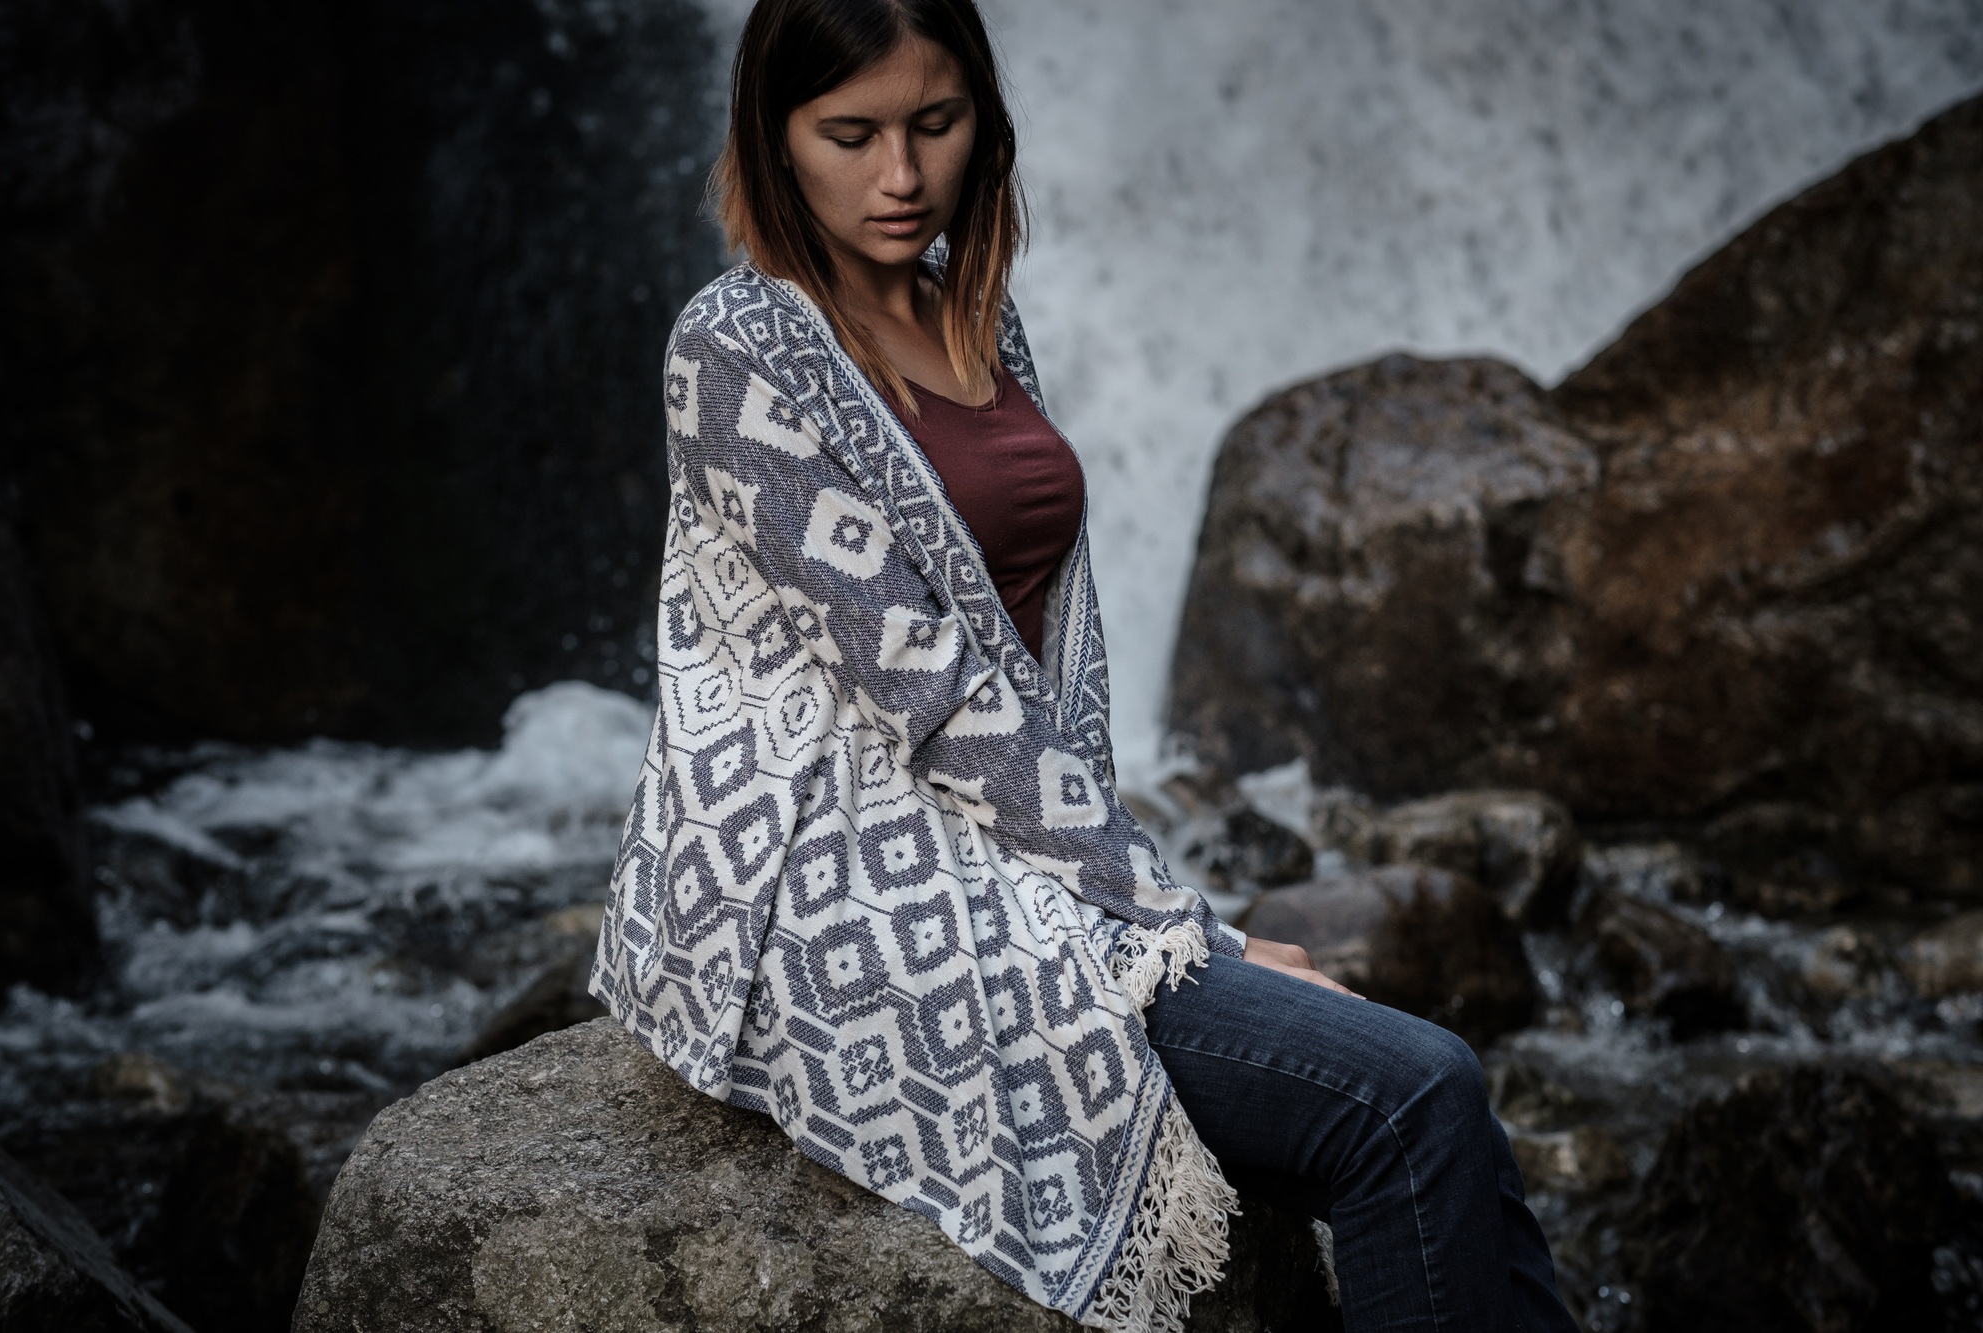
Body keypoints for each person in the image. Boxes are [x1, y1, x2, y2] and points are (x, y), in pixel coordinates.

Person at [592, 1, 1580, 1329]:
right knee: (1415, 1093)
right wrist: (1180, 923)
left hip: (1013, 861)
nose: (900, 175)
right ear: (774, 142)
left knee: (1432, 1099)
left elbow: (1038, 656)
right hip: (844, 880)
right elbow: (926, 687)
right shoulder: (736, 348)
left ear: (982, 123)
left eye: (934, 125)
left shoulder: (978, 322)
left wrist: (1142, 906)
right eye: (850, 134)